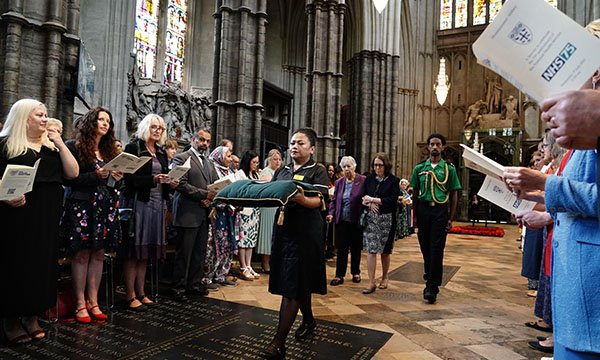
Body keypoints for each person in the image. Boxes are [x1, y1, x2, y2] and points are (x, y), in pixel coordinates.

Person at [0, 99, 78, 344]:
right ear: (24, 117)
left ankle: (32, 315)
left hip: (47, 213)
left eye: (46, 115)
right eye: (39, 115)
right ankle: (10, 318)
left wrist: (60, 144)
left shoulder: (51, 146)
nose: (45, 119)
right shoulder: (5, 145)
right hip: (16, 214)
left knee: (41, 264)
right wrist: (4, 197)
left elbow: (73, 173)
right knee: (16, 264)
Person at [262, 128, 329, 359]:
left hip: (306, 235)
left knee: (293, 287)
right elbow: (271, 194)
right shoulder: (283, 170)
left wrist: (301, 198)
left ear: (311, 149)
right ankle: (309, 321)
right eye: (292, 142)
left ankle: (278, 343)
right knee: (298, 282)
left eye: (300, 143)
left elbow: (319, 201)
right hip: (284, 233)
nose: (294, 146)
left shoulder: (317, 171)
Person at [60, 106, 122, 323]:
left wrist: (116, 176)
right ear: (90, 122)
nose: (105, 123)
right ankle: (79, 303)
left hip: (104, 206)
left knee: (98, 254)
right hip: (82, 205)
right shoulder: (74, 146)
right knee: (82, 254)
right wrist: (96, 175)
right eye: (100, 119)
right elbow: (68, 180)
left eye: (108, 121)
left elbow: (111, 183)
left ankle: (93, 301)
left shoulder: (108, 151)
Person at [121, 114, 178, 311]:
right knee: (134, 252)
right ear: (146, 127)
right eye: (154, 127)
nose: (157, 131)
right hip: (139, 204)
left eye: (161, 128)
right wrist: (152, 180)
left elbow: (163, 179)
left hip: (157, 204)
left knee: (145, 253)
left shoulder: (160, 152)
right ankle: (129, 295)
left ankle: (141, 292)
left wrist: (170, 183)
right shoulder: (134, 148)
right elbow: (128, 180)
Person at [410, 133, 461, 304]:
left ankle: (432, 286)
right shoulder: (419, 169)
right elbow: (415, 193)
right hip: (424, 210)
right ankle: (429, 272)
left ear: (443, 147)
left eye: (438, 144)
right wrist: (415, 215)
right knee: (425, 246)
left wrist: (450, 218)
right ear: (428, 146)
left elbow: (454, 194)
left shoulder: (449, 169)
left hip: (440, 210)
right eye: (432, 144)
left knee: (436, 248)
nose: (435, 147)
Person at [170, 128, 218, 301]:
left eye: (207, 141)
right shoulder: (181, 158)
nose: (204, 143)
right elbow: (180, 184)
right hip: (187, 212)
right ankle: (178, 287)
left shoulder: (209, 162)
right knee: (185, 253)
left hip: (203, 212)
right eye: (201, 139)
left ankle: (194, 284)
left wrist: (210, 199)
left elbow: (214, 186)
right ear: (193, 139)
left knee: (199, 252)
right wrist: (204, 195)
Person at [361, 153, 400, 295]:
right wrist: (369, 203)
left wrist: (374, 200)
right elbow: (363, 196)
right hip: (371, 218)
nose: (377, 168)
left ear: (386, 166)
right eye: (375, 165)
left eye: (380, 165)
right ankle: (371, 281)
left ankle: (384, 277)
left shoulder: (394, 181)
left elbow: (392, 200)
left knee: (385, 251)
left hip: (387, 218)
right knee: (371, 250)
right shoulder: (369, 179)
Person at [326, 156, 366, 286]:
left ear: (354, 166)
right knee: (341, 248)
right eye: (344, 167)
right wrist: (331, 213)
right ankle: (339, 275)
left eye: (349, 166)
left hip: (356, 219)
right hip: (341, 219)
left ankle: (356, 272)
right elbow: (334, 200)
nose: (347, 169)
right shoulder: (339, 182)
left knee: (355, 247)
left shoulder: (362, 180)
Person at [203, 146, 238, 287]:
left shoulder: (231, 172)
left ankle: (222, 275)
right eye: (228, 156)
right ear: (219, 156)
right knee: (212, 247)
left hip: (228, 213)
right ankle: (207, 277)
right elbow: (209, 188)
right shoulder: (212, 169)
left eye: (231, 156)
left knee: (227, 244)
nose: (230, 159)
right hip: (215, 213)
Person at [257, 148, 283, 273]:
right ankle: (265, 262)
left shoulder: (279, 172)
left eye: (279, 159)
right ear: (269, 159)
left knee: (275, 234)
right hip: (268, 207)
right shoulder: (266, 171)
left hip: (276, 206)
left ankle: (272, 261)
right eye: (275, 159)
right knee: (267, 234)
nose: (278, 162)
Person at [236, 150, 261, 281]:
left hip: (254, 210)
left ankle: (249, 264)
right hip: (244, 210)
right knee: (243, 240)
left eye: (257, 162)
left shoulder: (256, 174)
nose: (255, 165)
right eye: (253, 162)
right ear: (247, 162)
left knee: (251, 240)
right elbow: (239, 190)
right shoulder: (241, 174)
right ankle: (242, 266)